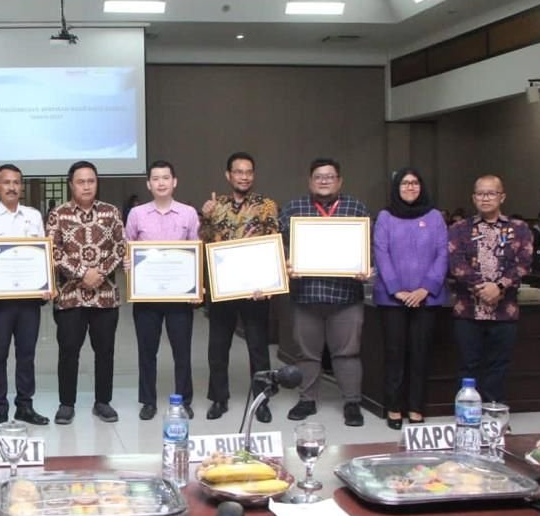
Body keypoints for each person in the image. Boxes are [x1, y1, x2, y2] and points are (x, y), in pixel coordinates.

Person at [280, 158, 371, 427]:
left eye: (330, 176)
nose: (324, 181)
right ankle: (307, 400)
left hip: (346, 296)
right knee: (307, 353)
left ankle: (352, 402)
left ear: (339, 181)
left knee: (348, 353)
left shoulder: (356, 208)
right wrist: (285, 263)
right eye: (318, 176)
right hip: (306, 294)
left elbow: (370, 245)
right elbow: (276, 244)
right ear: (310, 181)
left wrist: (366, 266)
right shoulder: (293, 208)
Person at [199, 152, 280, 423]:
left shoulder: (266, 205)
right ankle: (219, 398)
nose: (244, 177)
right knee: (218, 347)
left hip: (255, 288)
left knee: (258, 347)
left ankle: (261, 400)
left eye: (248, 172)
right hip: (223, 287)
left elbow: (273, 243)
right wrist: (206, 217)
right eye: (238, 172)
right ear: (228, 175)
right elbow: (204, 241)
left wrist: (269, 283)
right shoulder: (216, 205)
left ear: (253, 175)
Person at [0, 164, 50, 425]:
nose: (12, 187)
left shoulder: (33, 216)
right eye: (6, 182)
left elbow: (42, 254)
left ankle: (25, 406)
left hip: (28, 301)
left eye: (16, 182)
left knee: (27, 355)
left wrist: (46, 283)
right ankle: (0, 408)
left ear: (21, 186)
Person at [47, 161, 126, 424]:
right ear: (71, 184)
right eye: (81, 182)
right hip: (70, 296)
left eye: (91, 181)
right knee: (68, 350)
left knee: (105, 351)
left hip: (105, 296)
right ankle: (66, 403)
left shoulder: (111, 212)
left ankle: (103, 402)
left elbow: (121, 247)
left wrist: (100, 272)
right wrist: (83, 273)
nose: (86, 186)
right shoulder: (58, 214)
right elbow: (53, 251)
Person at [372, 168, 448, 429]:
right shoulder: (385, 217)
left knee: (420, 354)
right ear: (396, 187)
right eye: (404, 183)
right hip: (392, 299)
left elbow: (443, 254)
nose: (410, 187)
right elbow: (381, 253)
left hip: (426, 299)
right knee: (394, 355)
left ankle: (416, 407)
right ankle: (394, 407)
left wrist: (426, 288)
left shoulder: (435, 216)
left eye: (415, 182)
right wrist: (396, 290)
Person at [125, 160, 199, 420]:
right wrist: (128, 263)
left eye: (165, 177)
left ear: (174, 181)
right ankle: (148, 401)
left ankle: (184, 400)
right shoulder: (137, 214)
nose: (161, 183)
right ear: (149, 184)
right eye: (155, 178)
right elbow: (127, 248)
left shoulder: (188, 213)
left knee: (182, 351)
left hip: (179, 296)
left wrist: (196, 286)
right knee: (147, 351)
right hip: (147, 296)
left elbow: (196, 251)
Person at [448, 175, 533, 402]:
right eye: (480, 194)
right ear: (473, 198)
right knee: (468, 364)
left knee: (499, 365)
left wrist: (499, 286)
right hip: (468, 310)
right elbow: (456, 263)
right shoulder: (459, 228)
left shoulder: (519, 228)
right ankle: (468, 413)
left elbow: (524, 263)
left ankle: (494, 412)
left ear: (502, 197)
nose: (485, 198)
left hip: (505, 311)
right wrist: (482, 288)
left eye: (491, 193)